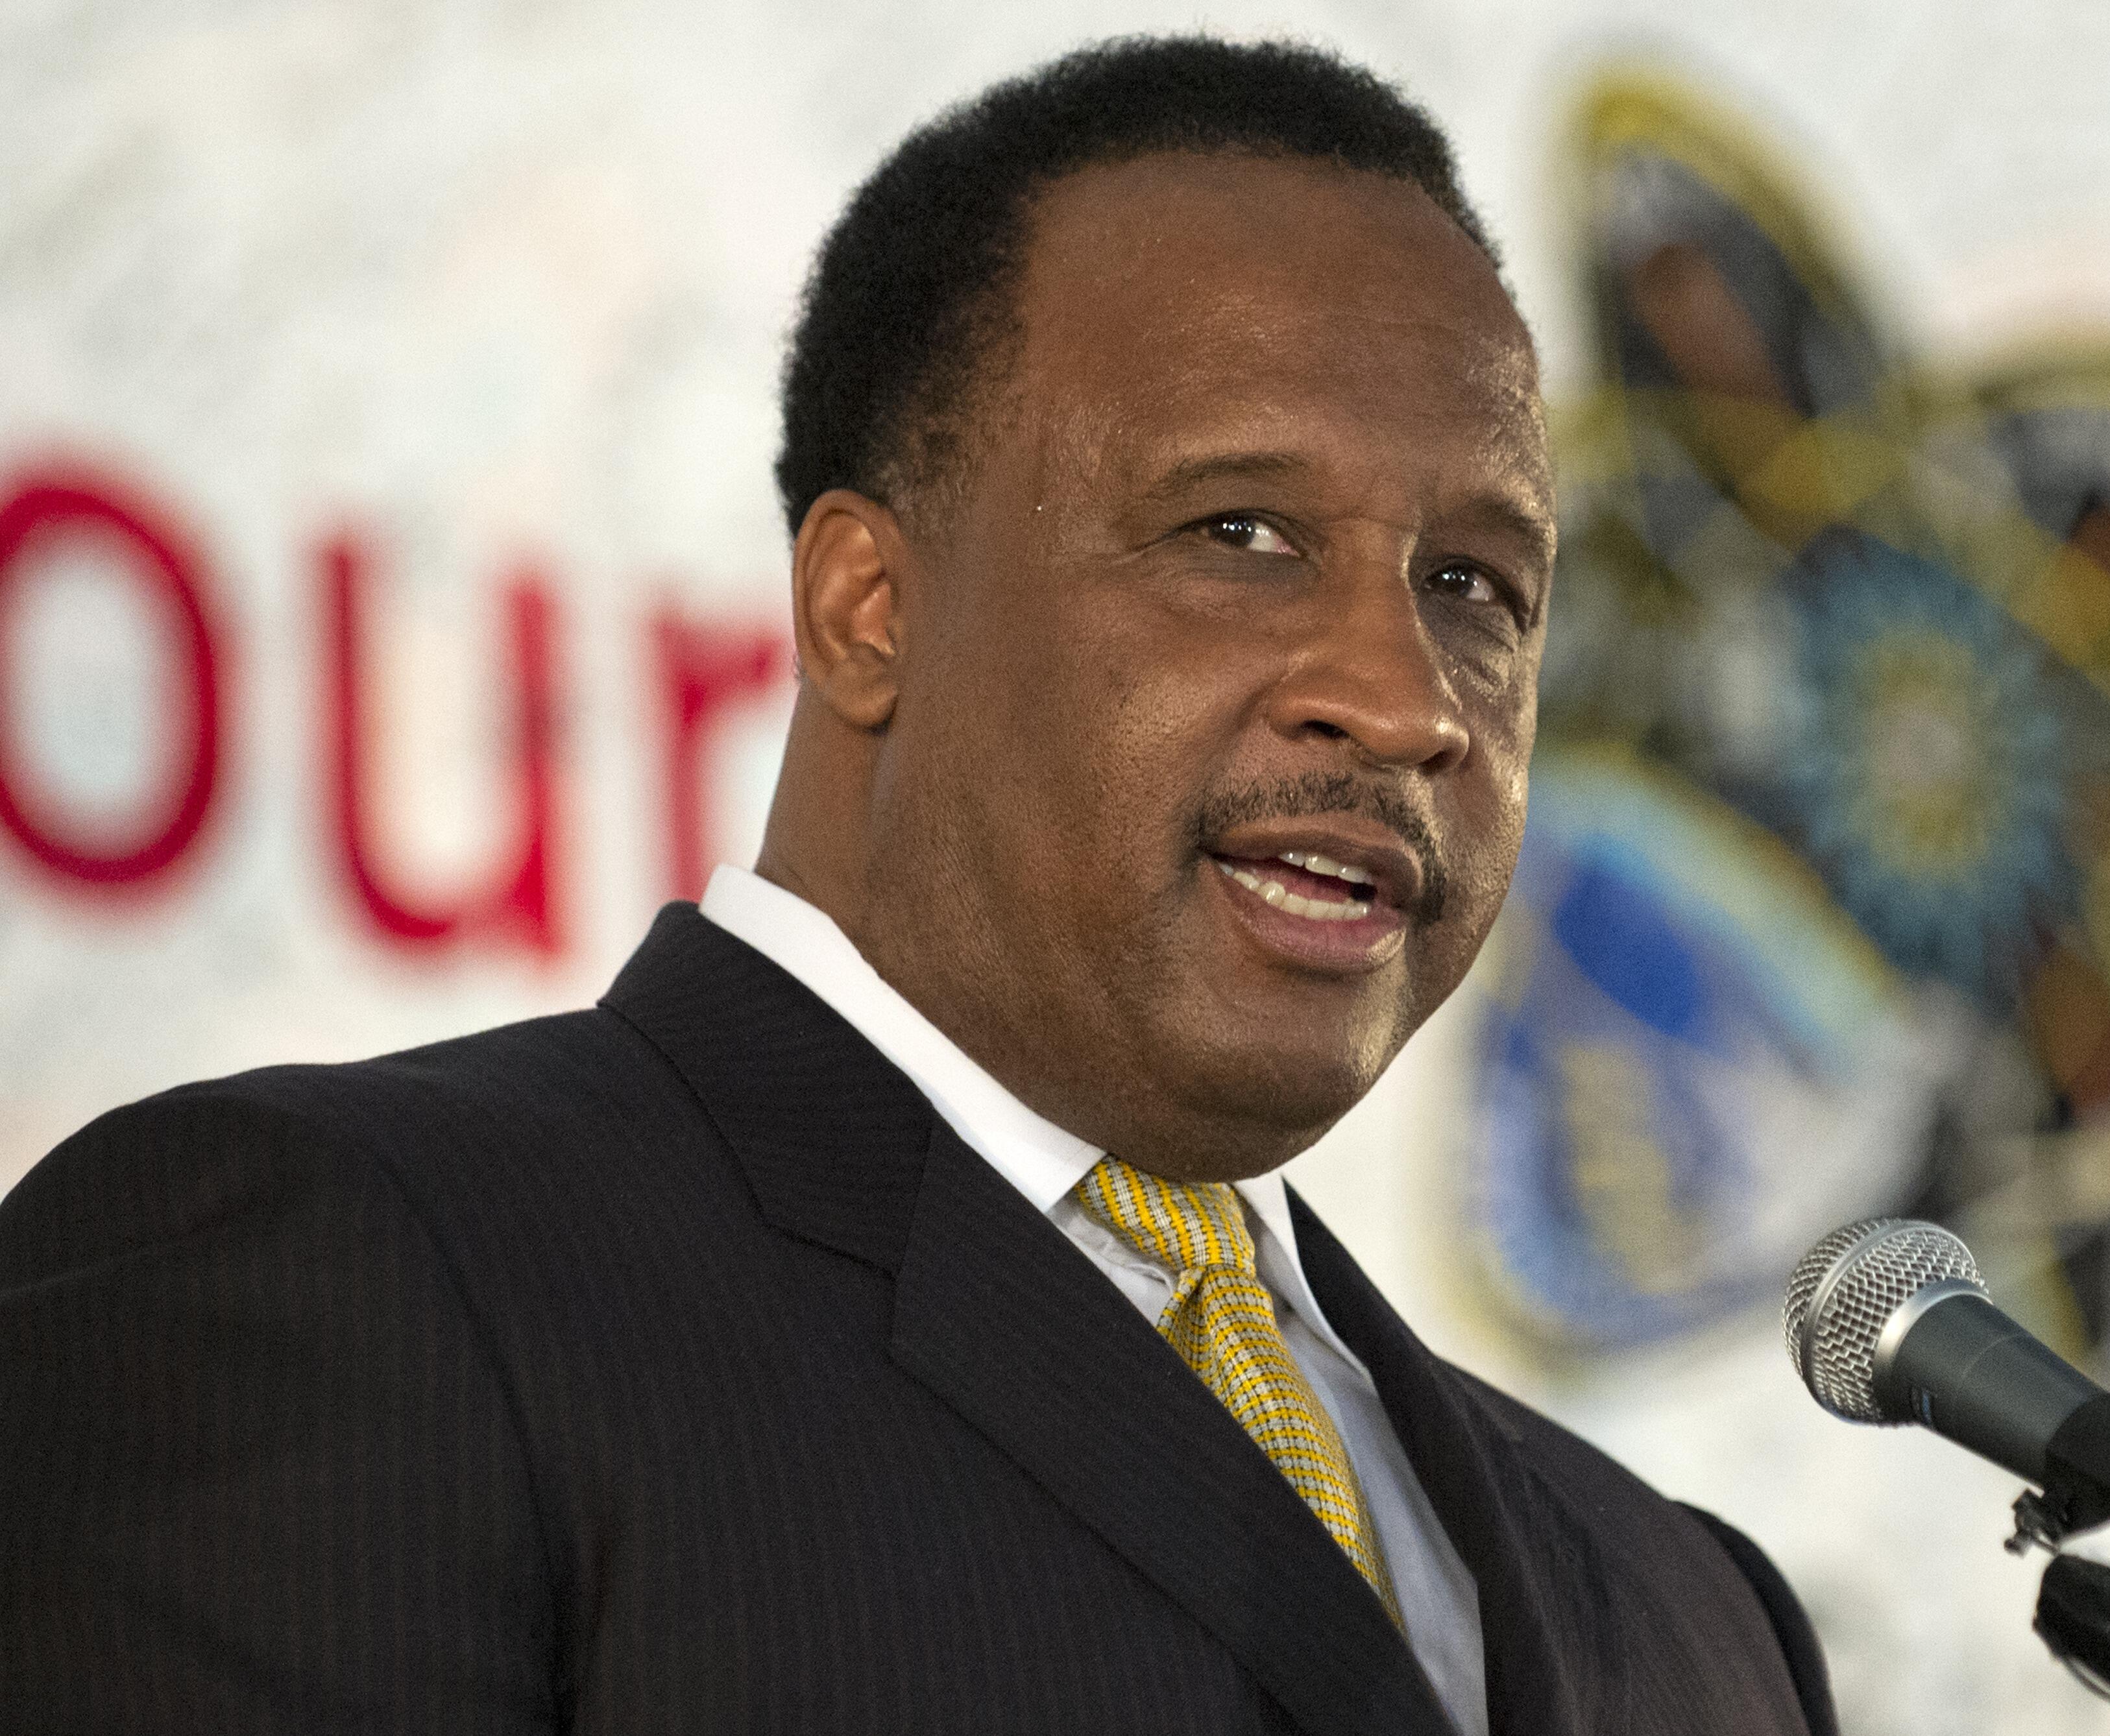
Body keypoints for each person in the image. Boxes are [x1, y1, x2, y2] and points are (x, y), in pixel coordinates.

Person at [0, 38, 1835, 1736]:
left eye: (1478, 588)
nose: (1410, 695)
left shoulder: (1695, 1616)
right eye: (1241, 533)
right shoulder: (353, 1275)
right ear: (868, 609)